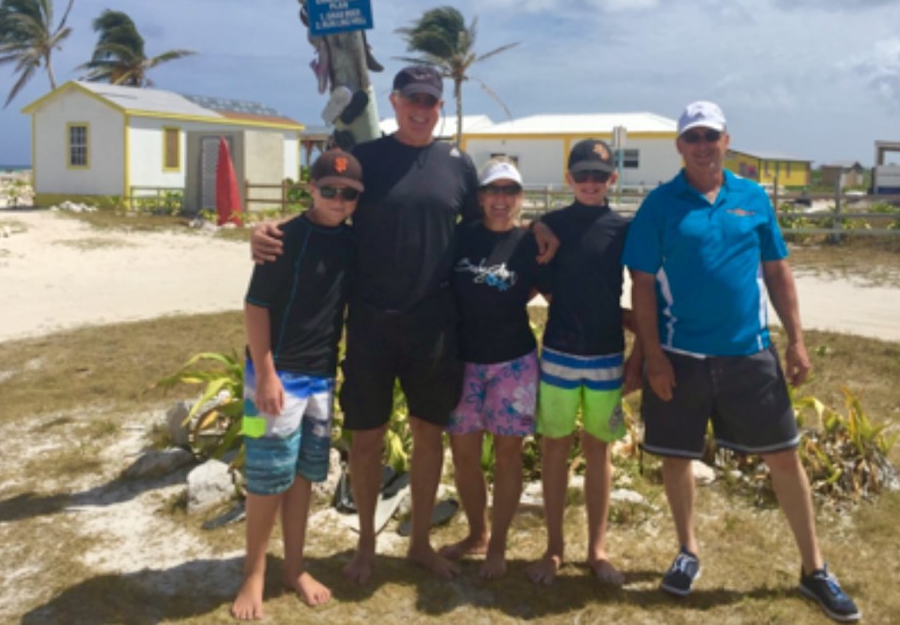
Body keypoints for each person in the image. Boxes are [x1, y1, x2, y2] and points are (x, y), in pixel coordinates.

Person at [251, 65, 559, 584]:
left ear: (440, 107)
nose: (422, 108)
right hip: (370, 323)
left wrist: (535, 225)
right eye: (413, 98)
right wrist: (268, 227)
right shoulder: (367, 160)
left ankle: (419, 543)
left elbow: (488, 222)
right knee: (366, 440)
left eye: (432, 101)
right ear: (394, 101)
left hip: (435, 326)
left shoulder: (458, 165)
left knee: (427, 435)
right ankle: (366, 547)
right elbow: (328, 209)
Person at [622, 101, 860, 622]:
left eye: (711, 136)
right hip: (680, 359)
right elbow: (641, 285)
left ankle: (813, 569)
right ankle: (687, 551)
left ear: (726, 141)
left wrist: (796, 340)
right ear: (679, 147)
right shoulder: (660, 205)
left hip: (749, 355)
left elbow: (778, 272)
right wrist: (654, 357)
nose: (702, 145)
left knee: (784, 457)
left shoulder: (753, 198)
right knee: (677, 457)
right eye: (693, 137)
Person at [232, 149, 363, 619]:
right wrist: (265, 374)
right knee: (267, 481)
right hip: (276, 374)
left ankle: (293, 567)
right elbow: (255, 307)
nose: (338, 200)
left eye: (349, 194)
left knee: (305, 475)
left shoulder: (351, 242)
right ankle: (254, 574)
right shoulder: (283, 239)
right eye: (329, 190)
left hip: (321, 377)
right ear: (311, 189)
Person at [525, 138, 637, 587]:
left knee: (598, 451)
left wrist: (641, 346)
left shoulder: (623, 228)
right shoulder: (550, 224)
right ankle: (554, 549)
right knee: (554, 448)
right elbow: (544, 283)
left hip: (608, 356)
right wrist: (534, 221)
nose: (591, 183)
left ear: (613, 180)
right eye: (583, 175)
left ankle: (597, 549)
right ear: (569, 179)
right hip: (558, 355)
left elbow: (644, 287)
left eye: (600, 176)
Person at [440, 158, 545, 578]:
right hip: (462, 361)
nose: (501, 199)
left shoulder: (530, 245)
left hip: (513, 363)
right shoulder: (461, 236)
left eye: (510, 191)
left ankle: (497, 545)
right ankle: (477, 534)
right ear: (480, 197)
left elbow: (548, 289)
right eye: (493, 191)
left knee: (507, 457)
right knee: (463, 455)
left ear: (520, 198)